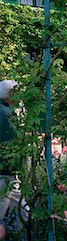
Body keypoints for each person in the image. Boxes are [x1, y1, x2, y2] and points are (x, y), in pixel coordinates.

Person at [0, 80, 18, 222]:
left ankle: (24, 237)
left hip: (8, 169)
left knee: (18, 203)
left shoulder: (4, 109)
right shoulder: (4, 112)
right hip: (6, 168)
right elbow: (10, 140)